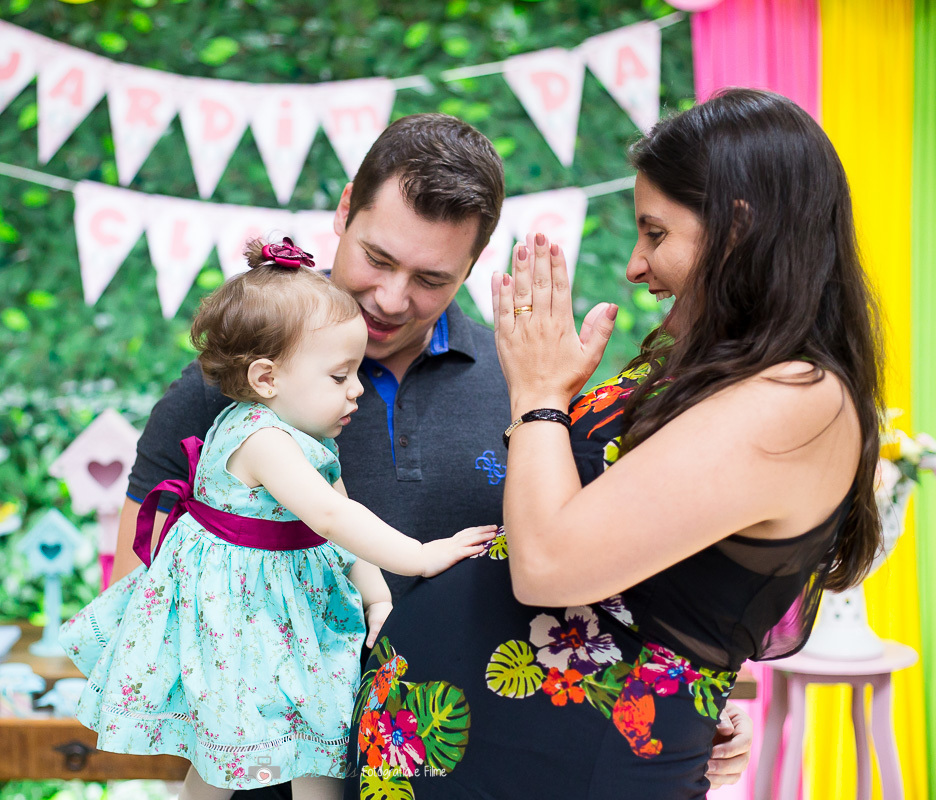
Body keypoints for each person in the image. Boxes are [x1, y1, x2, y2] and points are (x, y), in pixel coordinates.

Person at [115, 113, 754, 793]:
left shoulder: (525, 388)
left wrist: (678, 707)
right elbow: (138, 598)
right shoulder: (237, 383)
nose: (391, 300)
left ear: (473, 265)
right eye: (377, 259)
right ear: (344, 211)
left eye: (430, 278)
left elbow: (591, 592)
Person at [346, 89, 882, 799]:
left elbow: (549, 565)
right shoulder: (718, 372)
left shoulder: (799, 399)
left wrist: (539, 396)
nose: (634, 265)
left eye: (655, 233)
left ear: (738, 229)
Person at [60, 237, 497, 800]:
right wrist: (421, 555)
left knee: (317, 734)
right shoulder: (261, 438)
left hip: (289, 608)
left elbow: (340, 524)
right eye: (340, 377)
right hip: (241, 617)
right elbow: (330, 515)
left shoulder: (308, 438)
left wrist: (377, 597)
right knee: (230, 747)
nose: (357, 390)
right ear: (266, 379)